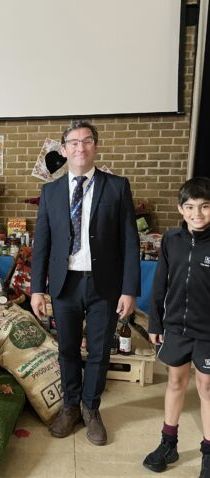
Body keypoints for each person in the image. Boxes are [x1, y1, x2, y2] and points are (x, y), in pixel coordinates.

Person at [30, 120, 140, 446]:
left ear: (95, 146)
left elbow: (130, 242)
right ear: (64, 150)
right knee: (65, 350)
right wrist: (37, 288)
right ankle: (70, 407)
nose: (81, 147)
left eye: (87, 141)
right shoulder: (50, 192)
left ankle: (91, 409)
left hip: (104, 285)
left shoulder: (117, 187)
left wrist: (130, 289)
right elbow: (42, 245)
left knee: (98, 352)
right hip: (65, 284)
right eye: (74, 143)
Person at [143, 177, 210, 477]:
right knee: (174, 382)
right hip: (175, 328)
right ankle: (168, 443)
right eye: (191, 207)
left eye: (206, 207)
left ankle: (208, 453)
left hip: (208, 332)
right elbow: (160, 283)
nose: (198, 214)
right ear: (180, 209)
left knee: (206, 387)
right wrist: (156, 321)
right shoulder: (171, 239)